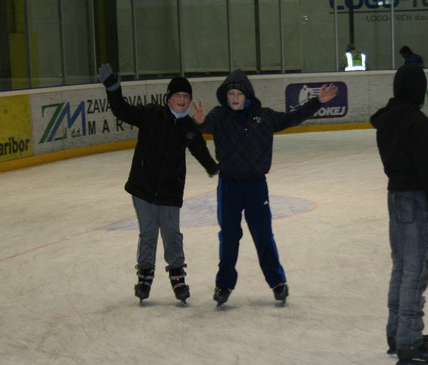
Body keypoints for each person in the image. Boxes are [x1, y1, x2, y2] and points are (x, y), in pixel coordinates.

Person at [191, 69, 338, 306]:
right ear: (225, 96)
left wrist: (317, 102)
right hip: (229, 185)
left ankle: (277, 282)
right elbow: (205, 125)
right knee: (229, 236)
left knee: (263, 235)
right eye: (231, 93)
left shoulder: (264, 117)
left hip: (256, 185)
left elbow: (292, 118)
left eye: (239, 93)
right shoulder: (220, 115)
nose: (235, 98)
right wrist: (199, 122)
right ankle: (224, 285)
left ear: (247, 95)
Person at [97, 64, 219, 305]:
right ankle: (144, 276)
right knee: (149, 233)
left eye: (186, 96)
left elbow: (199, 149)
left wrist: (213, 168)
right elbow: (123, 111)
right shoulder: (152, 114)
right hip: (143, 187)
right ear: (168, 98)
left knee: (172, 233)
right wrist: (113, 89)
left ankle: (177, 275)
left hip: (171, 190)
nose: (182, 99)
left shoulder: (188, 126)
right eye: (178, 95)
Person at [369, 63, 428, 365]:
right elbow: (425, 165)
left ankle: (397, 333)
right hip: (415, 200)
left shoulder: (386, 120)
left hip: (396, 197)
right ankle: (410, 341)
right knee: (415, 270)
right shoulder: (417, 121)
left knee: (402, 266)